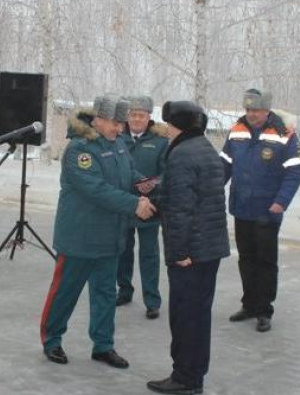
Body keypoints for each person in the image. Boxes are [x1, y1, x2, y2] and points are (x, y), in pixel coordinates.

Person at [40, 94, 156, 370]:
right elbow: (96, 190)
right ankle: (52, 340)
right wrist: (134, 205)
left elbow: (128, 172)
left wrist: (143, 183)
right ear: (98, 119)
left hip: (110, 236)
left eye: (121, 124)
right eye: (115, 123)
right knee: (65, 291)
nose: (120, 129)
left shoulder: (117, 145)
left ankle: (103, 345)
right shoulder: (80, 150)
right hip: (79, 238)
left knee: (104, 293)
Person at [147, 100, 229, 395]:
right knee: (198, 315)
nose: (166, 129)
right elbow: (188, 197)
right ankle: (193, 375)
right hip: (208, 249)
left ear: (178, 125)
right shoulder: (205, 149)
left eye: (169, 124)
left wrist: (179, 253)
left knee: (185, 316)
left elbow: (182, 209)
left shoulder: (181, 154)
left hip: (191, 252)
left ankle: (185, 378)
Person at [221, 88, 300, 333]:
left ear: (267, 111)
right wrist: (213, 188)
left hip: (268, 209)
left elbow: (294, 171)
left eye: (256, 110)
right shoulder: (236, 130)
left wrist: (281, 201)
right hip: (241, 207)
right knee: (246, 260)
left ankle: (264, 310)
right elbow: (224, 163)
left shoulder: (284, 134)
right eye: (248, 110)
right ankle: (249, 304)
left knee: (266, 261)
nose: (251, 114)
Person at [116, 95, 168, 319]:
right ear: (127, 117)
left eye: (141, 115)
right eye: (133, 114)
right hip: (125, 204)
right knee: (122, 252)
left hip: (151, 206)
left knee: (149, 255)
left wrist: (154, 183)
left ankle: (152, 300)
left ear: (149, 117)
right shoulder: (117, 138)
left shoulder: (160, 141)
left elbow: (168, 172)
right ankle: (124, 290)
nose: (137, 119)